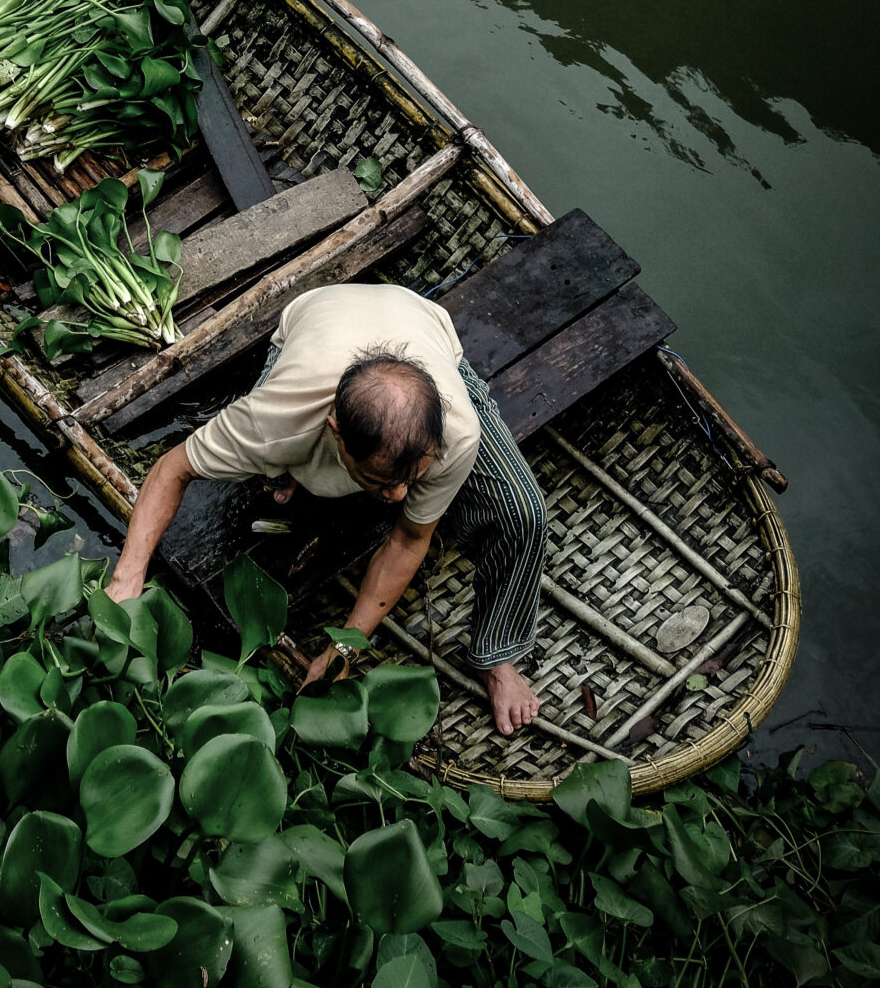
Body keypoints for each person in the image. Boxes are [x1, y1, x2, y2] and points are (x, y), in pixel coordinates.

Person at [104, 280, 548, 736]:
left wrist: (347, 647)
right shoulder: (276, 417)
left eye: (409, 481)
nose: (397, 498)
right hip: (313, 322)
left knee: (523, 512)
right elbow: (171, 469)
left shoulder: (455, 431)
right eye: (380, 480)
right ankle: (297, 470)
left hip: (421, 328)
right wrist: (128, 574)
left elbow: (410, 536)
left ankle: (497, 657)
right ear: (335, 431)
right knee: (271, 475)